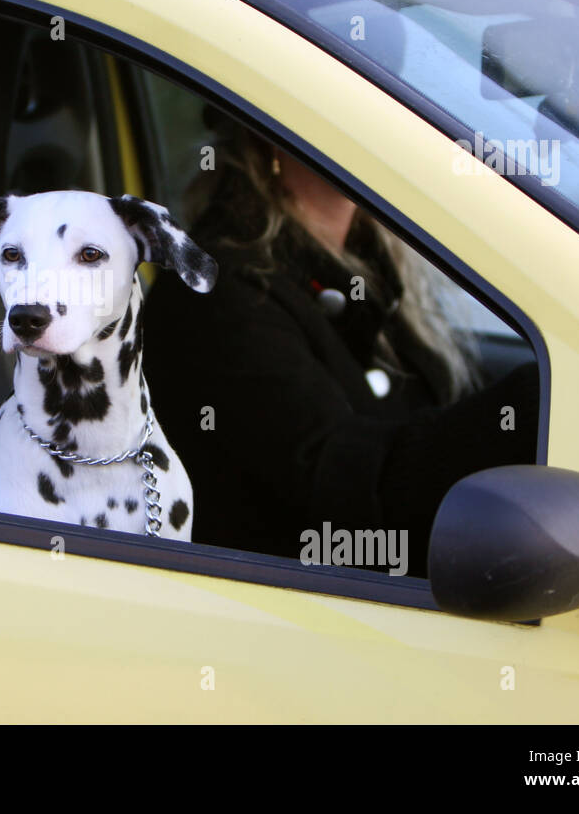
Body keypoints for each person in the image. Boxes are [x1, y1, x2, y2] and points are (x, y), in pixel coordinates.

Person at [142, 124, 539, 578]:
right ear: (275, 137)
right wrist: (527, 410)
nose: (385, 126)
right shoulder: (220, 294)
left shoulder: (367, 263)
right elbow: (346, 500)